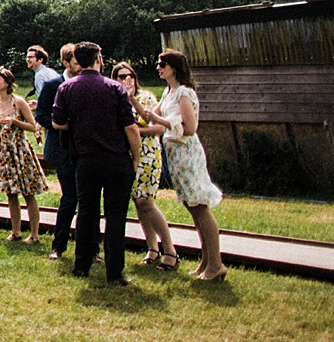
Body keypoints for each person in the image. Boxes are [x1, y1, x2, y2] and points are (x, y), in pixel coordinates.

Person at [52, 41, 141, 286]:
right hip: (116, 159)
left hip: (86, 160)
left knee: (86, 212)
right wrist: (136, 159)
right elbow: (131, 128)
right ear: (99, 59)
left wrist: (79, 123)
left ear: (79, 61)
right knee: (115, 215)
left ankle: (81, 265)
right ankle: (115, 272)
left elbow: (58, 122)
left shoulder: (67, 88)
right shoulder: (114, 88)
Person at [145, 48, 226, 281]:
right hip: (175, 155)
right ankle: (207, 260)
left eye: (163, 64)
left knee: (199, 205)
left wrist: (160, 120)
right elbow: (150, 116)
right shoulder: (168, 93)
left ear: (174, 68)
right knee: (192, 206)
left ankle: (216, 264)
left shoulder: (184, 93)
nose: (158, 67)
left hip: (187, 153)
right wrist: (129, 96)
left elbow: (189, 128)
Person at [113, 61, 176, 270]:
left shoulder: (145, 97)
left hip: (148, 154)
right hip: (126, 156)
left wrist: (133, 131)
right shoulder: (113, 99)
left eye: (129, 75)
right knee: (138, 203)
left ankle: (170, 251)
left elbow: (155, 126)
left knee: (146, 201)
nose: (126, 80)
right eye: (121, 77)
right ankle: (152, 248)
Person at [0, 66, 45, 243]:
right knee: (11, 192)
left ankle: (34, 234)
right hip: (5, 150)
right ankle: (16, 232)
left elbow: (33, 127)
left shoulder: (18, 102)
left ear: (7, 82)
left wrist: (15, 121)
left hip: (20, 150)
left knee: (28, 192)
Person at [37, 43, 80, 260]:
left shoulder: (86, 83)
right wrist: (57, 124)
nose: (80, 66)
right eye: (75, 62)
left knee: (88, 201)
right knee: (70, 197)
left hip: (85, 149)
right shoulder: (53, 85)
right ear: (65, 62)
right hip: (62, 149)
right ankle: (58, 245)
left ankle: (91, 249)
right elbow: (41, 115)